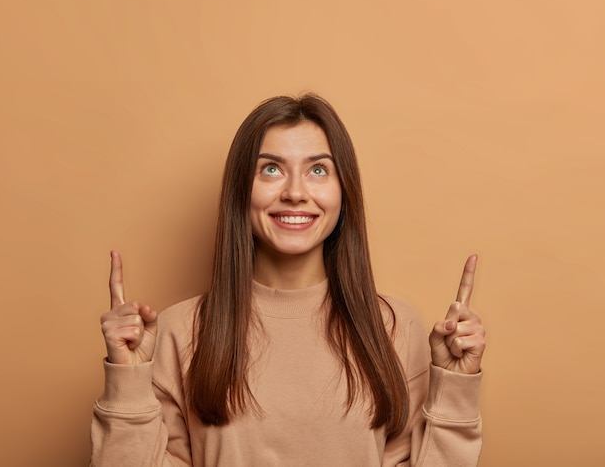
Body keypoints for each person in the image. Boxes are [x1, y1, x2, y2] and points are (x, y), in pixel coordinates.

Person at [90, 94, 485, 466]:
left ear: (343, 191)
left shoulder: (395, 327)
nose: (295, 192)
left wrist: (454, 389)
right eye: (271, 169)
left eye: (317, 169)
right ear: (241, 191)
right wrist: (127, 382)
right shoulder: (179, 331)